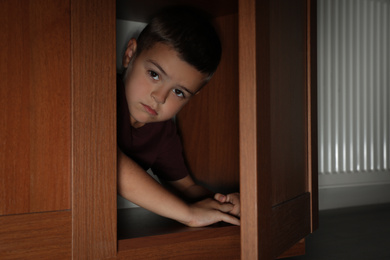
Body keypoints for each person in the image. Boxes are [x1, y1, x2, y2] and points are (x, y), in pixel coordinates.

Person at [117, 6, 240, 228]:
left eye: (179, 92)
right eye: (154, 74)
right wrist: (188, 214)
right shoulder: (101, 100)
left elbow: (187, 188)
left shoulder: (163, 131)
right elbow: (110, 166)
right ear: (130, 55)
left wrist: (224, 205)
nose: (160, 97)